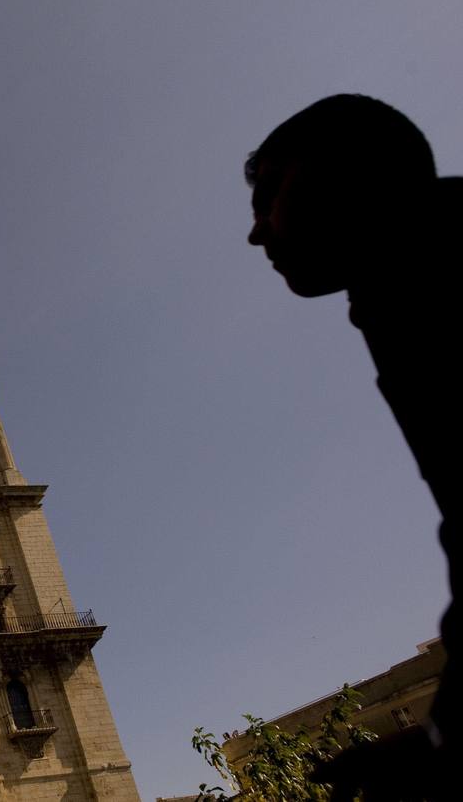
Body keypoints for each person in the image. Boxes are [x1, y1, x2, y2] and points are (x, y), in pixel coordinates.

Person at [245, 94, 458, 799]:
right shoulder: (400, 278)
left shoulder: (427, 279)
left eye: (270, 194)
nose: (255, 232)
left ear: (352, 173)